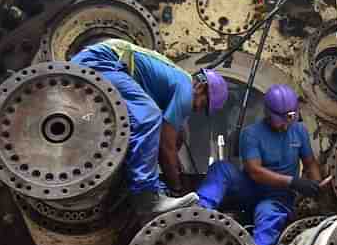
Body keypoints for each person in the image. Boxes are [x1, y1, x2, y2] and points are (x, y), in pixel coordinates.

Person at [70, 39, 229, 214]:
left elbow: (170, 141)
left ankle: (141, 184)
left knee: (173, 131)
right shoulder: (185, 91)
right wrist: (176, 187)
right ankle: (148, 197)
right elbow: (165, 145)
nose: (198, 109)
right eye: (204, 104)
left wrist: (174, 163)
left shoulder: (177, 81)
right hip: (100, 64)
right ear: (201, 87)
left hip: (99, 63)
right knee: (149, 116)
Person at [196, 84, 323, 245]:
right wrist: (293, 182)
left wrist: (317, 188)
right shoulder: (251, 134)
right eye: (281, 120)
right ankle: (197, 214)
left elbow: (310, 164)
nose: (286, 126)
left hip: (278, 198)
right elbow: (254, 171)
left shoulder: (299, 131)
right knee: (221, 168)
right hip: (250, 188)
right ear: (267, 112)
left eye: (290, 118)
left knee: (267, 213)